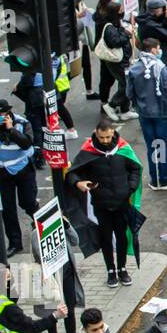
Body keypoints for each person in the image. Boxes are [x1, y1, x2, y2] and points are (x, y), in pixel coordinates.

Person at [64, 119, 143, 289]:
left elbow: (136, 168)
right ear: (96, 134)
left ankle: (122, 269)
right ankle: (110, 271)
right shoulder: (88, 152)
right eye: (102, 137)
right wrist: (78, 183)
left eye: (108, 137)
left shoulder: (123, 149)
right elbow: (72, 173)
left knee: (122, 237)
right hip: (101, 205)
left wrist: (131, 186)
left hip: (122, 203)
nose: (105, 141)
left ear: (113, 133)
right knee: (105, 239)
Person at [125, 36, 167, 191]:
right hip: (161, 113)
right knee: (161, 144)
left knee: (151, 145)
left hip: (144, 113)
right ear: (154, 49)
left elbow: (129, 93)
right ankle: (163, 177)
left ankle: (154, 178)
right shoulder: (161, 68)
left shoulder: (134, 68)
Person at [0, 98, 37, 255]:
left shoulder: (21, 122)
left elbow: (27, 143)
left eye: (3, 113)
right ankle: (15, 243)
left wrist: (11, 130)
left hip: (23, 169)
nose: (1, 116)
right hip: (2, 172)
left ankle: (41, 224)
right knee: (7, 209)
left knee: (28, 202)